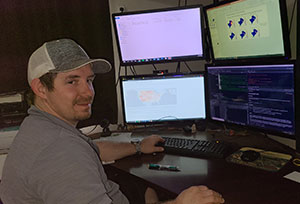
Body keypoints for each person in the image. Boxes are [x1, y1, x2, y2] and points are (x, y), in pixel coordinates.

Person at [0, 39, 225, 204]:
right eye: (72, 81)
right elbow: (68, 157)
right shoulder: (59, 151)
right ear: (40, 88)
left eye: (89, 80)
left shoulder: (41, 125)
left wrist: (138, 146)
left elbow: (92, 149)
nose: (87, 92)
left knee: (144, 190)